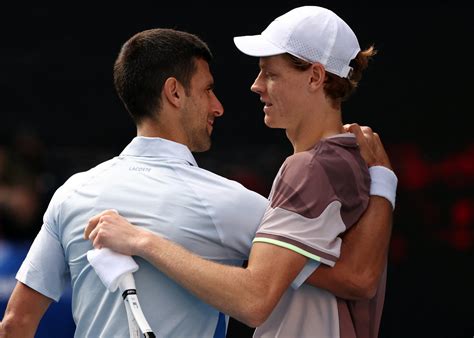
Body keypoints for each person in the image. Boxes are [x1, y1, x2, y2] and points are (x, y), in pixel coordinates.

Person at [84, 6, 397, 338]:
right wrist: (384, 183)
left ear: (315, 77)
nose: (256, 85)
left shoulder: (308, 168)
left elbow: (254, 298)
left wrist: (141, 240)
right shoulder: (354, 162)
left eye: (270, 74)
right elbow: (354, 277)